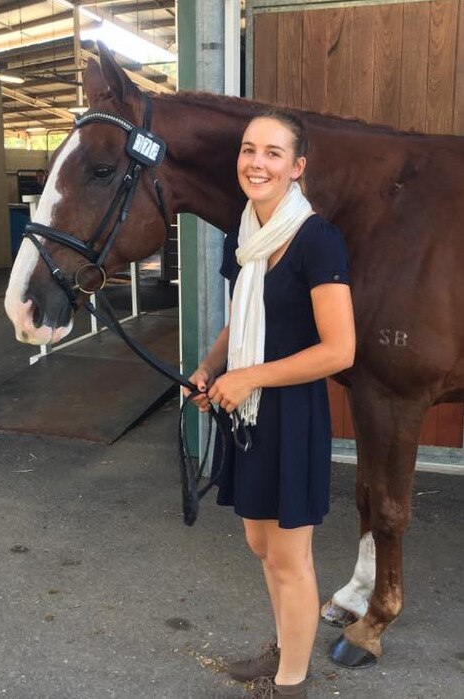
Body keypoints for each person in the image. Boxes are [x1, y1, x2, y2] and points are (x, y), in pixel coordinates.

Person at [183, 112, 355, 698]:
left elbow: (339, 350)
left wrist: (250, 376)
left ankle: (291, 683)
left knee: (289, 556)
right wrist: (210, 369)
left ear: (297, 167)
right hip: (247, 409)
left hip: (292, 413)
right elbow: (241, 320)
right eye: (249, 149)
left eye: (274, 153)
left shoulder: (317, 239)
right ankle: (290, 642)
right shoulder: (243, 235)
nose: (258, 162)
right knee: (261, 545)